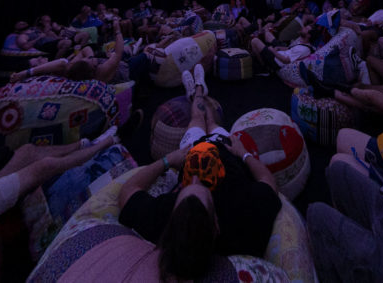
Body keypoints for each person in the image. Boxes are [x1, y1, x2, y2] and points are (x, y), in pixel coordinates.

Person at [116, 64, 282, 279]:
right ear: (216, 225)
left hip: (189, 152)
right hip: (226, 150)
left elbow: (128, 190)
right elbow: (267, 179)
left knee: (196, 119)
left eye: (186, 184)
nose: (195, 176)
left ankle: (196, 93)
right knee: (212, 122)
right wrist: (243, 154)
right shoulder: (246, 221)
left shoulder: (163, 220)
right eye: (203, 185)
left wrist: (168, 160)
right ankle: (200, 91)